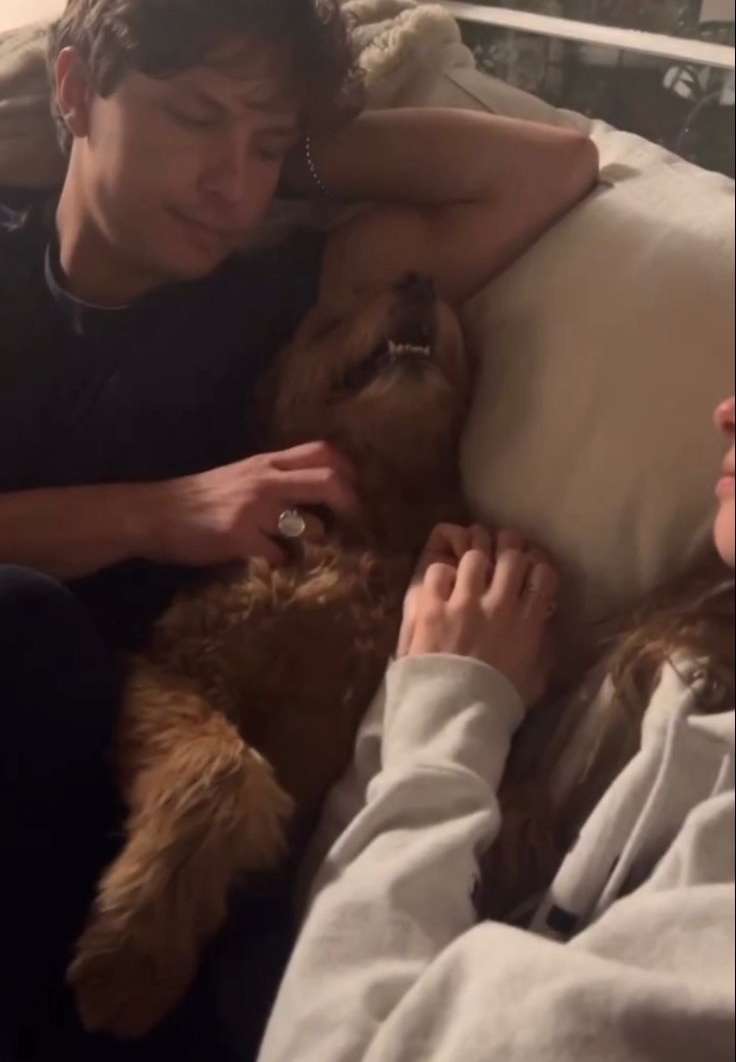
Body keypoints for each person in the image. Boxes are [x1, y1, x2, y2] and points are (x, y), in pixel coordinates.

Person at [0, 0, 597, 1061]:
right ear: (73, 90)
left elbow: (549, 166)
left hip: (157, 817)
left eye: (262, 145)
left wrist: (302, 155)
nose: (231, 182)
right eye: (193, 119)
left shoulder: (281, 299)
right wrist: (156, 513)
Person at [258, 395, 736, 1062]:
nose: (724, 412)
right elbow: (327, 947)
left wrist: (446, 715)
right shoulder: (690, 660)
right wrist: (422, 689)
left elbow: (331, 1042)